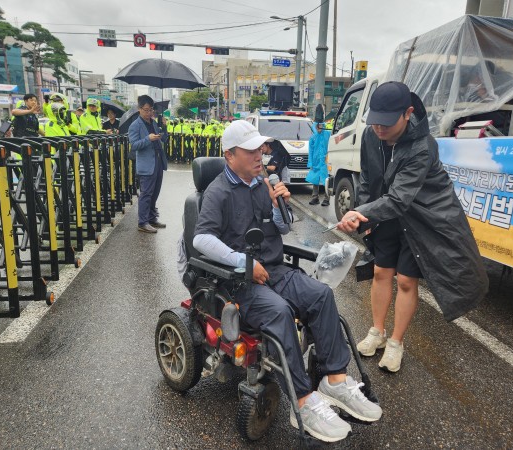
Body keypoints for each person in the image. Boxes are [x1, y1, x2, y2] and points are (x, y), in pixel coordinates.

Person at [193, 120, 382, 443]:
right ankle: (303, 402)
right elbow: (201, 239)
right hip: (240, 281)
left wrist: (280, 203)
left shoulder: (262, 184)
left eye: (260, 148)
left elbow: (281, 228)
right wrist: (244, 263)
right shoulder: (218, 192)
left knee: (320, 295)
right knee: (279, 311)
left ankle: (335, 381)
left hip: (275, 270)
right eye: (250, 151)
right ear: (230, 155)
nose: (259, 155)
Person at [337, 82, 488, 372]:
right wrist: (365, 215)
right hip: (385, 212)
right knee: (380, 272)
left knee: (406, 280)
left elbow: (400, 199)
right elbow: (367, 178)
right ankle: (377, 331)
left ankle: (396, 342)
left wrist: (360, 213)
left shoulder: (423, 146)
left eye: (386, 122)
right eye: (375, 121)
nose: (379, 128)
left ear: (407, 113)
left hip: (420, 217)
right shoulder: (370, 135)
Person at [128, 95, 168, 233]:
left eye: (151, 110)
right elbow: (134, 145)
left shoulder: (154, 123)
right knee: (146, 194)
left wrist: (164, 127)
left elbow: (164, 140)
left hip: (158, 161)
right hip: (146, 164)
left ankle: (151, 218)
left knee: (155, 192)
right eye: (146, 110)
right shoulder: (135, 125)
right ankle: (142, 222)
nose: (149, 113)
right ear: (139, 109)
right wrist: (148, 139)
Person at [306, 121, 330, 206]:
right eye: (317, 126)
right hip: (316, 161)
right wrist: (310, 163)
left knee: (326, 180)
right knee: (315, 179)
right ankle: (315, 197)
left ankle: (327, 199)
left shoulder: (328, 134)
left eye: (320, 126)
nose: (319, 128)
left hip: (326, 161)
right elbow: (311, 151)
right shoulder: (313, 137)